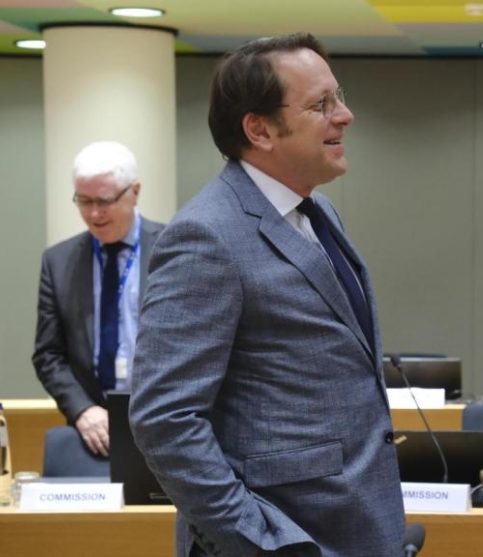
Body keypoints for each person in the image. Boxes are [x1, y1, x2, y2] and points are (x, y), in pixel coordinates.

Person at [130, 33, 404, 557]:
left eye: (339, 96)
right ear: (259, 128)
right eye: (321, 104)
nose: (344, 115)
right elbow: (165, 420)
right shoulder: (206, 236)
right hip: (285, 539)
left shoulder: (320, 214)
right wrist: (263, 541)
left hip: (353, 525)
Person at [32, 141, 163, 457]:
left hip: (161, 425)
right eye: (84, 200)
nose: (93, 214)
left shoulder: (172, 250)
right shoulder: (58, 261)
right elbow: (48, 354)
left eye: (104, 201)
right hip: (90, 431)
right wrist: (81, 410)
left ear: (135, 192)